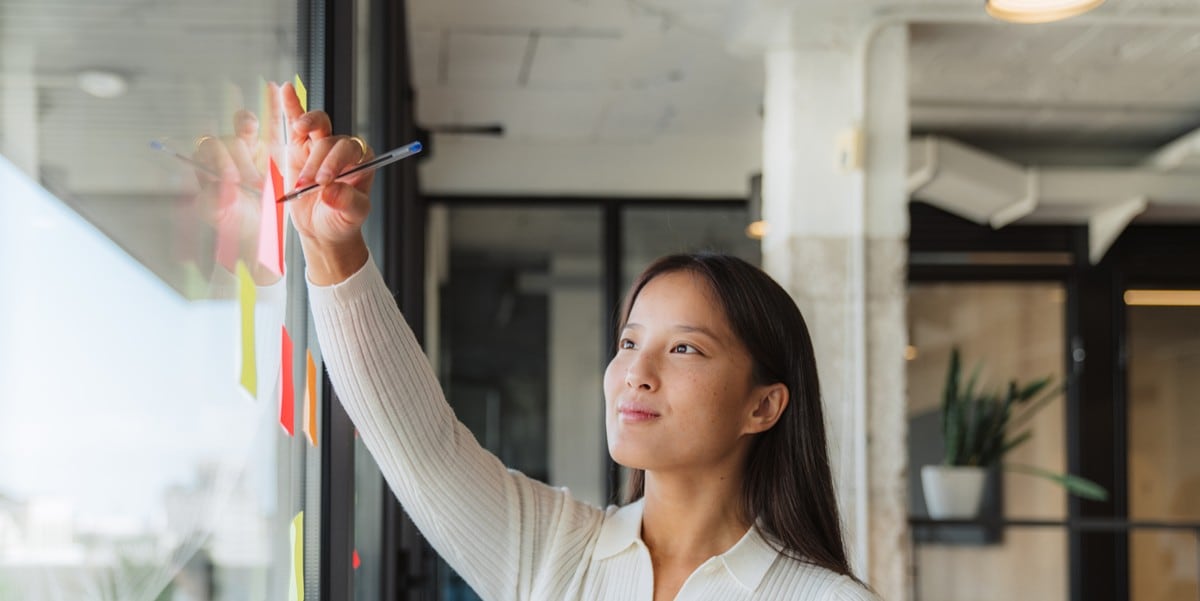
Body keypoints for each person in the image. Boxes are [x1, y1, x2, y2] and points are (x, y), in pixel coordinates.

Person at [278, 83, 878, 600]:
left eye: (684, 348)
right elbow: (418, 448)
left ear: (763, 405)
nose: (635, 373)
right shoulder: (553, 552)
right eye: (627, 343)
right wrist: (331, 247)